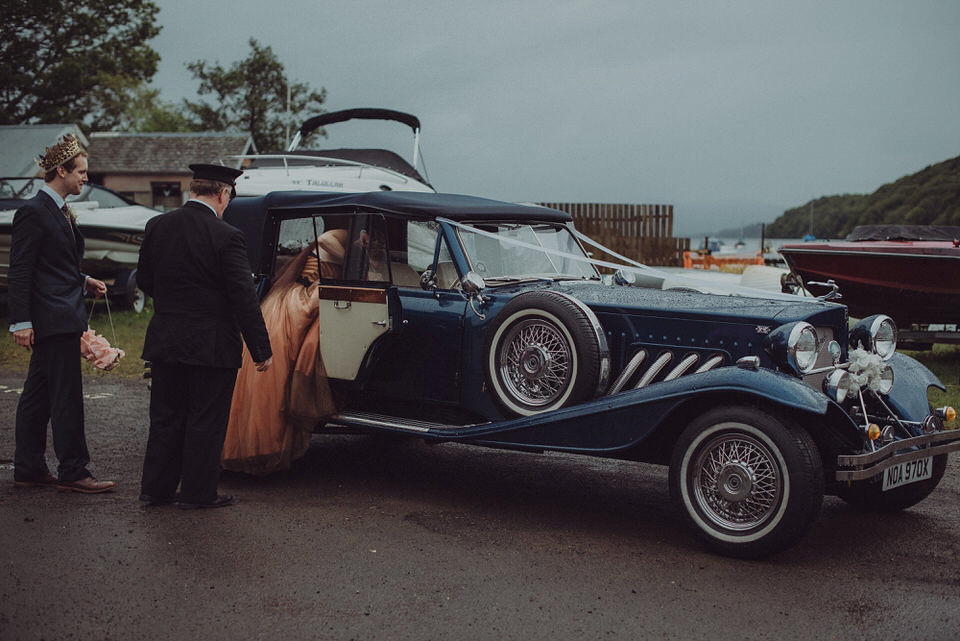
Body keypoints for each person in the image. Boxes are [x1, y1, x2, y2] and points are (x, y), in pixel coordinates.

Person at [137, 164, 273, 509]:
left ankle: (156, 490)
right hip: (211, 344)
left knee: (166, 416)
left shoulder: (157, 225)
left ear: (193, 189)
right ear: (223, 194)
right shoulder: (227, 236)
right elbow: (243, 295)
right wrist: (261, 349)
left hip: (166, 339)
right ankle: (197, 493)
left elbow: (144, 281)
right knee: (206, 419)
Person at [8, 133, 115, 494]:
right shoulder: (33, 212)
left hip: (62, 312)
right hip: (53, 319)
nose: (86, 178)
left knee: (38, 395)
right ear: (60, 171)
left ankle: (28, 467)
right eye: (81, 172)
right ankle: (73, 470)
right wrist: (21, 321)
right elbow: (21, 270)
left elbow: (52, 265)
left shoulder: (59, 211)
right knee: (66, 396)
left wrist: (84, 280)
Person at [222, 228, 346, 475]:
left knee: (271, 386)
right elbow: (323, 251)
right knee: (276, 385)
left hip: (283, 304)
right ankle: (266, 445)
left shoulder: (336, 240)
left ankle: (258, 444)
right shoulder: (338, 240)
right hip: (297, 303)